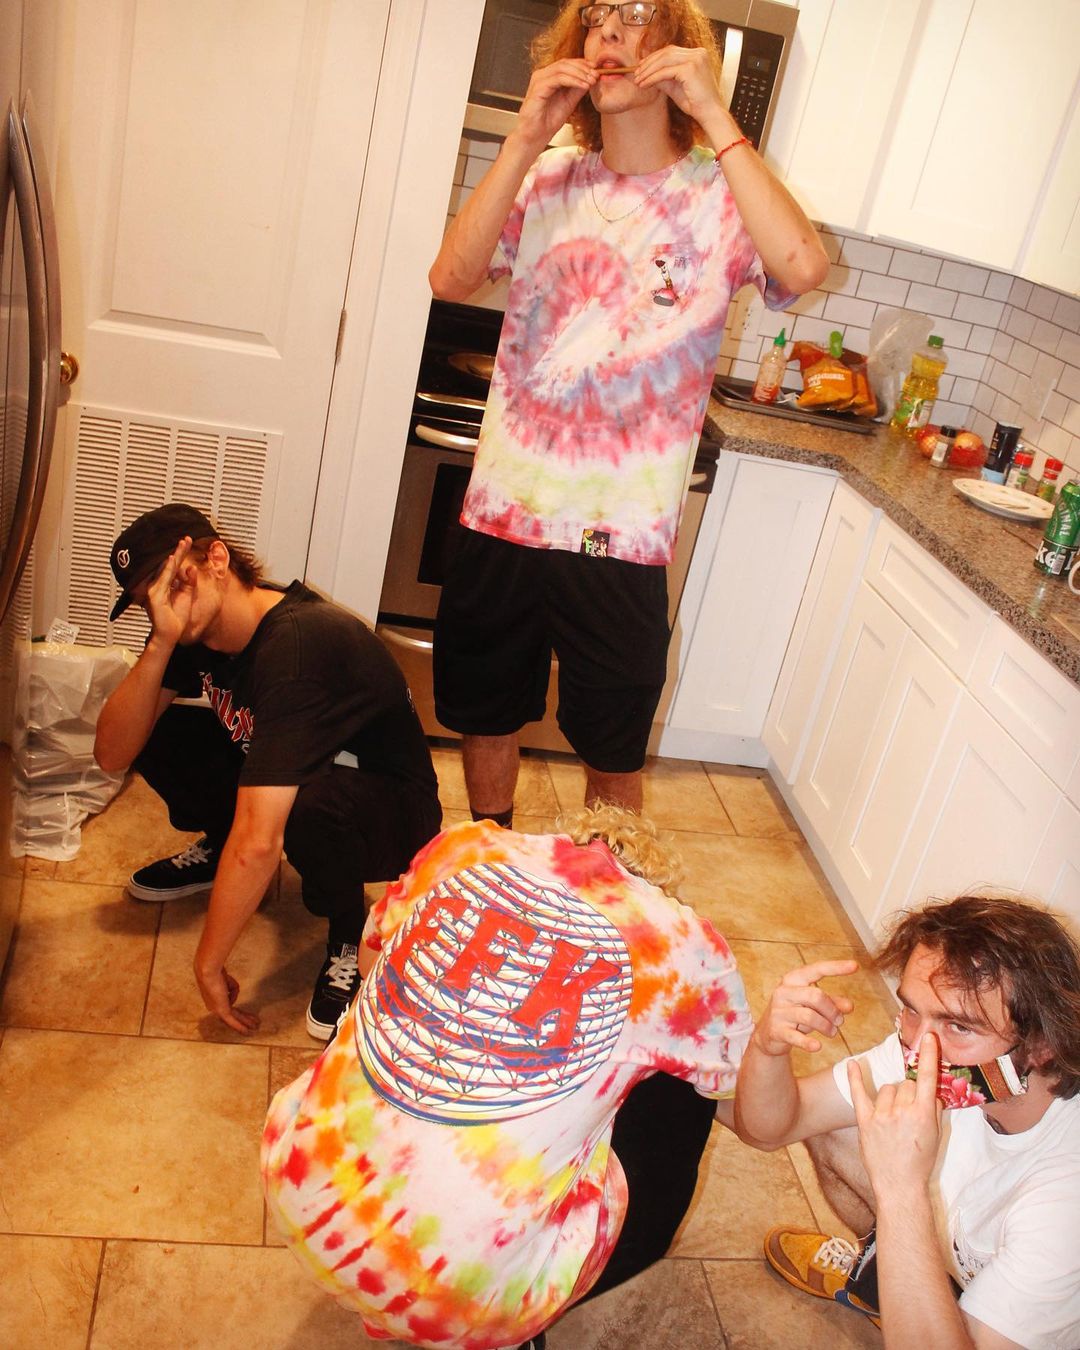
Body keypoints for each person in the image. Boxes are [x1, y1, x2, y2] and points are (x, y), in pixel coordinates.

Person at [428, 0, 828, 826]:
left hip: (620, 534)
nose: (607, 32)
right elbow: (450, 278)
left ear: (677, 51)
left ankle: (604, 898)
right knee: (485, 712)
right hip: (505, 510)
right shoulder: (545, 180)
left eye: (635, 15)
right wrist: (525, 135)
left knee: (611, 751)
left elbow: (802, 264)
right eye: (596, 16)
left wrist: (715, 112)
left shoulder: (718, 201)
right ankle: (491, 860)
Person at [262, 806, 752, 1350]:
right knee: (681, 1080)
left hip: (297, 1182)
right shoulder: (684, 949)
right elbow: (748, 1109)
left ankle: (392, 1276)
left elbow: (374, 953)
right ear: (656, 888)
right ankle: (502, 1301)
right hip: (463, 1296)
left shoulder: (463, 848)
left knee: (391, 1002)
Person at [94, 502, 441, 1040]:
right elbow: (113, 752)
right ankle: (215, 847)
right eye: (150, 601)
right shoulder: (191, 629)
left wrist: (208, 963)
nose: (168, 609)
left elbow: (259, 841)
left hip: (394, 810)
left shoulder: (299, 647)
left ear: (216, 558)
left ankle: (348, 937)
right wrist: (160, 644)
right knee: (150, 719)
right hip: (322, 771)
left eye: (175, 583)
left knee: (301, 806)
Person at [725, 894, 1080, 1348]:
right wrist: (768, 1046)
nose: (918, 1050)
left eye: (960, 1027)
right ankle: (891, 1286)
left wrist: (901, 1190)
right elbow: (770, 1127)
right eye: (913, 1009)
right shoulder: (939, 1054)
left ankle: (923, 1305)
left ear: (1042, 1044)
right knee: (844, 1121)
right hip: (963, 1257)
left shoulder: (1064, 1199)